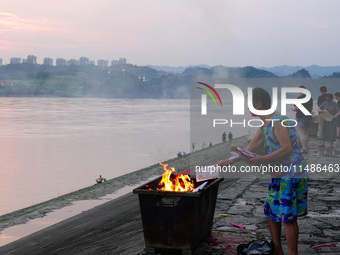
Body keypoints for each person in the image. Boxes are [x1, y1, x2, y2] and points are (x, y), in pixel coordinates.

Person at [217, 87, 307, 255]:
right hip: (277, 173)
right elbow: (250, 148)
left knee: (287, 215)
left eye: (249, 104)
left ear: (258, 104)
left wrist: (262, 160)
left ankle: (292, 253)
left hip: (291, 173)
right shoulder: (265, 124)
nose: (248, 108)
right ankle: (277, 249)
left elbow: (287, 148)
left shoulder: (278, 121)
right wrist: (226, 162)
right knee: (271, 211)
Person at [292, 86, 313, 154]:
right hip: (309, 117)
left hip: (301, 117)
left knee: (301, 133)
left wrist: (293, 109)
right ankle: (305, 147)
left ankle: (303, 149)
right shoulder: (310, 98)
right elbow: (311, 107)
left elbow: (296, 108)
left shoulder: (299, 98)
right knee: (305, 133)